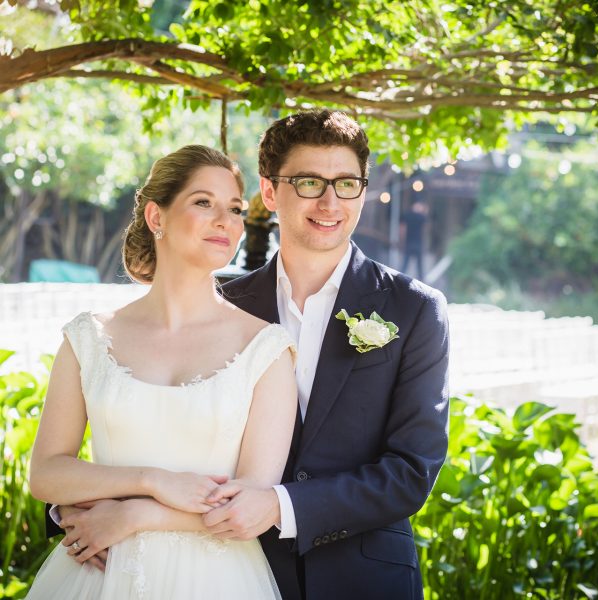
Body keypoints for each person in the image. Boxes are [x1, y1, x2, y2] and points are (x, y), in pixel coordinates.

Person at [47, 110, 449, 600]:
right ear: (270, 193)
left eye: (347, 183)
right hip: (240, 567)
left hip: (362, 576)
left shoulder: (413, 309)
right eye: (308, 182)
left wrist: (280, 505)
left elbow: (409, 472)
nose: (329, 201)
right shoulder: (224, 306)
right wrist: (75, 503)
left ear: (363, 191)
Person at [27, 145, 297, 599]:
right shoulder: (88, 339)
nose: (225, 221)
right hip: (95, 574)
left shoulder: (265, 348)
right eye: (203, 202)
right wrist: (151, 480)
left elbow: (251, 504)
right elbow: (46, 474)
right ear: (157, 217)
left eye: (233, 209)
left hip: (217, 579)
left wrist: (137, 514)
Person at [400, 200, 429, 280]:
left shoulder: (407, 215)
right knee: (418, 265)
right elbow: (425, 228)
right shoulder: (421, 217)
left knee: (406, 264)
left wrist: (402, 241)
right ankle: (422, 280)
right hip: (416, 243)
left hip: (410, 243)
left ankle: (399, 278)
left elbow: (403, 229)